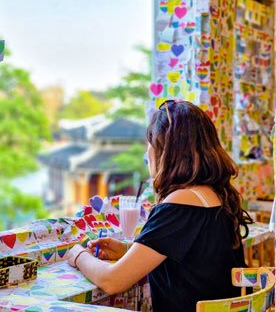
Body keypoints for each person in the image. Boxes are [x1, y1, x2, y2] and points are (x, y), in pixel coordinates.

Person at [68, 100, 252, 312]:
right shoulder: (216, 195)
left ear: (165, 154)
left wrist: (78, 256)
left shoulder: (179, 204)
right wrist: (128, 250)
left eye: (149, 154)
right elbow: (192, 258)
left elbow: (113, 281)